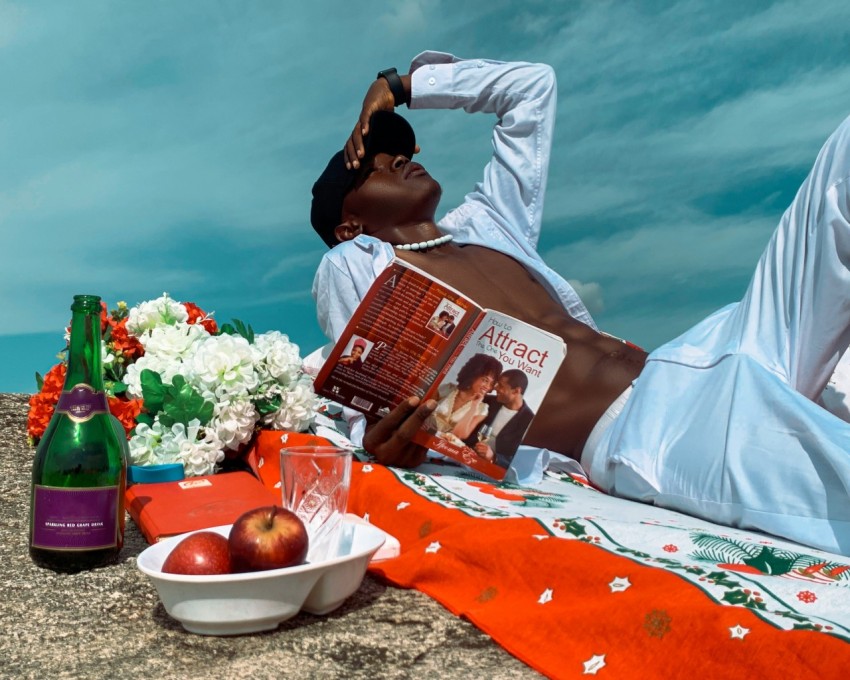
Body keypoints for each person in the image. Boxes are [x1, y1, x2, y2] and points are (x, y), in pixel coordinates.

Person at [311, 52, 850, 556]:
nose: (402, 159)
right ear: (349, 224)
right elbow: (369, 385)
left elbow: (530, 89)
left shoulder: (488, 224)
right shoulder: (358, 264)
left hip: (700, 351)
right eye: (377, 167)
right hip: (651, 432)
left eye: (402, 151)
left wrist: (403, 86)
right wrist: (387, 437)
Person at [465, 370, 535, 469]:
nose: (495, 388)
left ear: (516, 391)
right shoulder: (488, 401)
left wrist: (493, 457)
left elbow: (520, 460)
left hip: (492, 469)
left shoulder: (529, 421)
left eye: (501, 386)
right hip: (465, 455)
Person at [425, 353, 502, 442]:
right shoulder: (447, 388)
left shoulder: (482, 409)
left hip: (443, 446)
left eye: (491, 384)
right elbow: (423, 408)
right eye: (485, 380)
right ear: (473, 375)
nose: (487, 386)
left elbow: (459, 435)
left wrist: (474, 406)